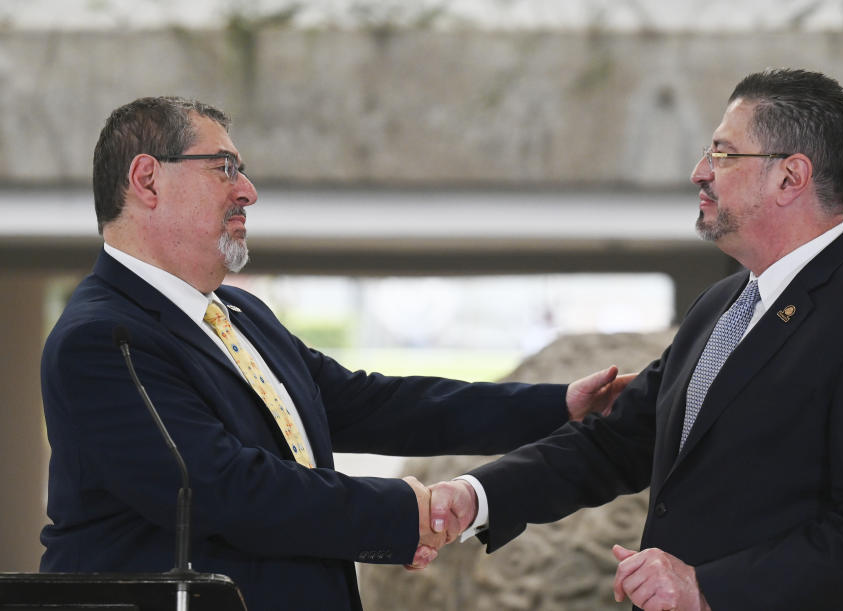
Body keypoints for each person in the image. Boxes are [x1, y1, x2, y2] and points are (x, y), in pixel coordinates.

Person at [38, 96, 634, 611]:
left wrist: (559, 406)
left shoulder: (240, 317)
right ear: (147, 180)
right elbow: (224, 489)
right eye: (225, 168)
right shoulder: (101, 339)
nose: (247, 190)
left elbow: (372, 403)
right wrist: (405, 513)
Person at [424, 68, 843, 610]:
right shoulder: (720, 305)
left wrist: (706, 589)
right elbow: (616, 443)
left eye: (723, 154)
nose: (700, 172)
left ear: (791, 177)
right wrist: (476, 496)